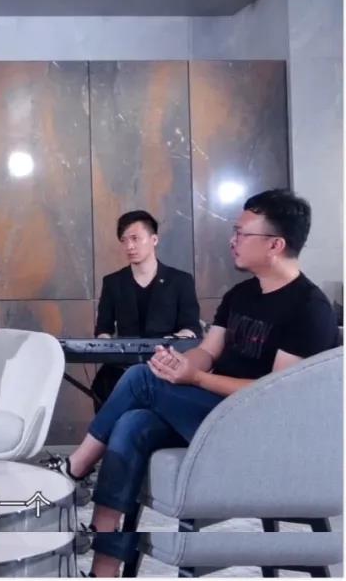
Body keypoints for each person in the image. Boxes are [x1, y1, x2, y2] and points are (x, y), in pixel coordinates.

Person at [45, 189, 338, 577]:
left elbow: (272, 398)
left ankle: (76, 466)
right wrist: (181, 364)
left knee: (139, 377)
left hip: (258, 431)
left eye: (242, 233)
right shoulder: (240, 295)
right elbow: (208, 351)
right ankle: (105, 567)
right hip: (215, 413)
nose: (232, 240)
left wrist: (197, 378)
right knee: (132, 423)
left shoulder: (308, 308)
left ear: (275, 245)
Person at [91, 210, 202, 410]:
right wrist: (107, 347)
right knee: (102, 386)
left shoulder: (180, 280)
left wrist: (170, 345)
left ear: (154, 239)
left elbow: (191, 327)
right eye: (124, 240)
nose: (129, 246)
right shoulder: (113, 282)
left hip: (166, 366)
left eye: (135, 238)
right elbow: (103, 329)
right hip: (122, 367)